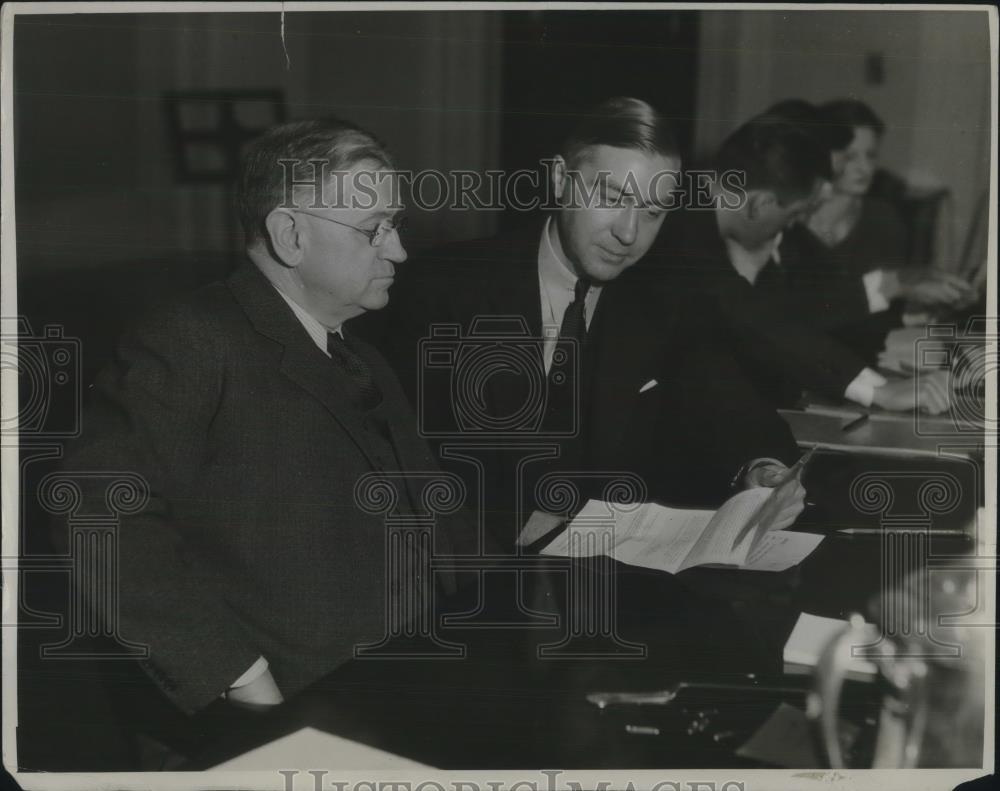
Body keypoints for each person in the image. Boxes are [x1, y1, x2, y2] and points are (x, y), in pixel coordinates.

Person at [52, 118, 474, 735]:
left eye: (396, 225)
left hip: (396, 692)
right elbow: (98, 516)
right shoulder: (190, 337)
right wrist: (244, 684)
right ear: (290, 234)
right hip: (276, 718)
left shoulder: (364, 356)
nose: (398, 250)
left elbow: (431, 518)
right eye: (372, 230)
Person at [357, 97, 807, 553]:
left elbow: (732, 405)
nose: (629, 232)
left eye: (653, 211)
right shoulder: (444, 288)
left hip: (601, 585)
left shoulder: (661, 301)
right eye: (611, 198)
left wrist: (763, 470)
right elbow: (399, 453)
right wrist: (513, 520)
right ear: (559, 178)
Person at [653, 113, 953, 414]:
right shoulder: (685, 232)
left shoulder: (688, 198)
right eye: (793, 215)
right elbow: (757, 319)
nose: (790, 227)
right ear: (760, 204)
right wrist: (880, 390)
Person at [774, 100, 975, 359]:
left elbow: (882, 316)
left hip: (852, 358)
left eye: (870, 155)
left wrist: (928, 307)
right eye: (850, 156)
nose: (864, 168)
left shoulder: (885, 220)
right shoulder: (791, 219)